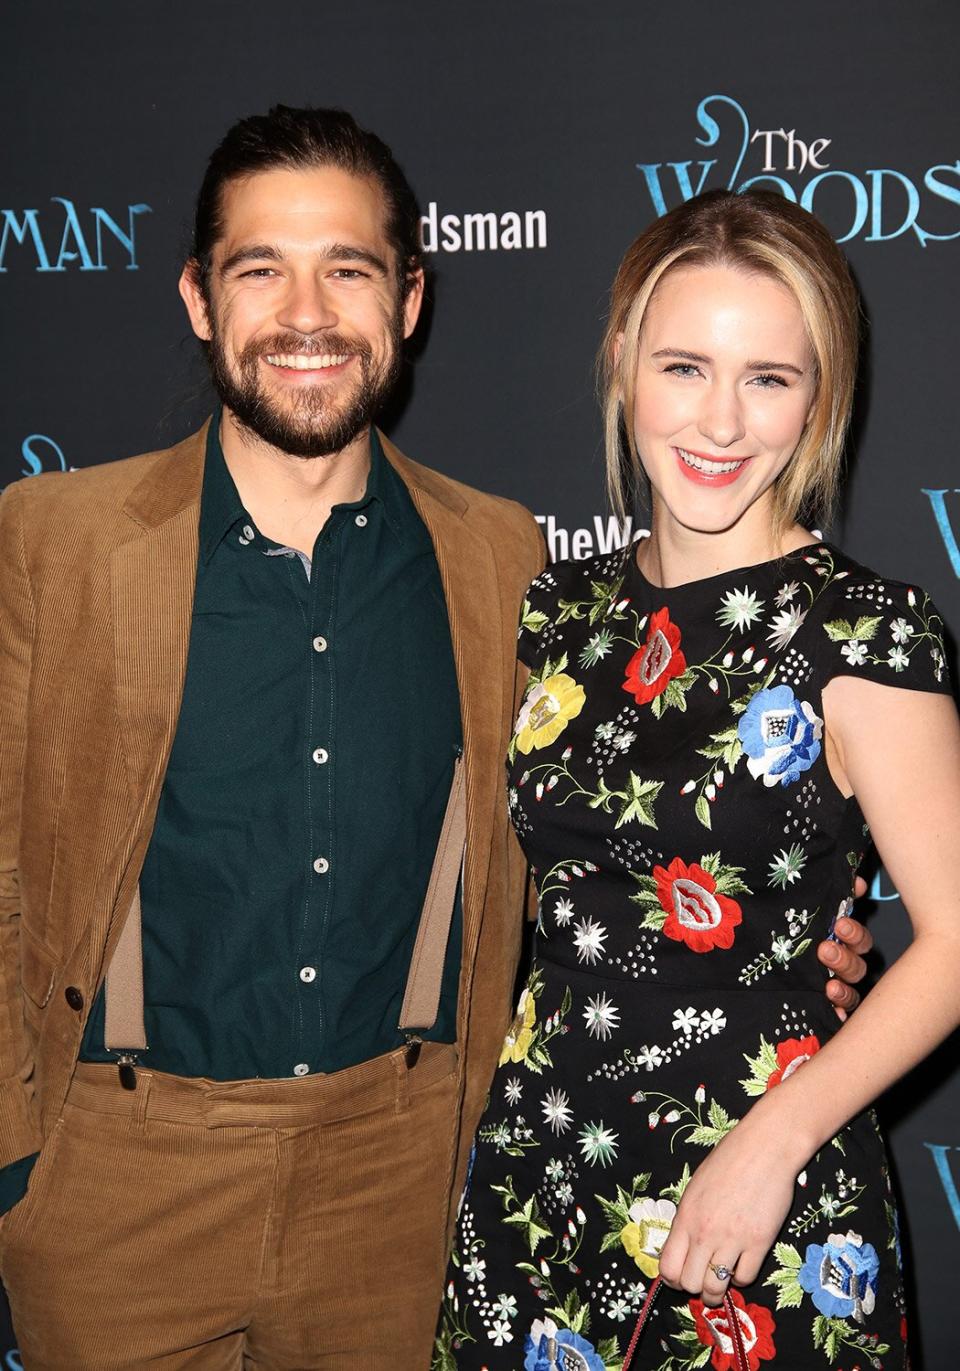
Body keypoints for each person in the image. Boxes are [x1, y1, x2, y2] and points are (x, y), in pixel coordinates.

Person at [0, 109, 868, 1368]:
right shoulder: (47, 540)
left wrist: (794, 953)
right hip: (117, 1181)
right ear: (199, 297)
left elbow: (625, 809)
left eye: (348, 269)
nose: (309, 312)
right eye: (261, 269)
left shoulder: (500, 555)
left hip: (402, 1183)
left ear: (408, 300)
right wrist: (26, 1168)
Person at [435, 189, 960, 1371]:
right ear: (623, 364)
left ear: (821, 395)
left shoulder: (862, 632)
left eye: (771, 378)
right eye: (685, 365)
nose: (722, 421)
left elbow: (958, 936)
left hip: (757, 1194)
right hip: (542, 1170)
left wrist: (770, 1149)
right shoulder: (559, 613)